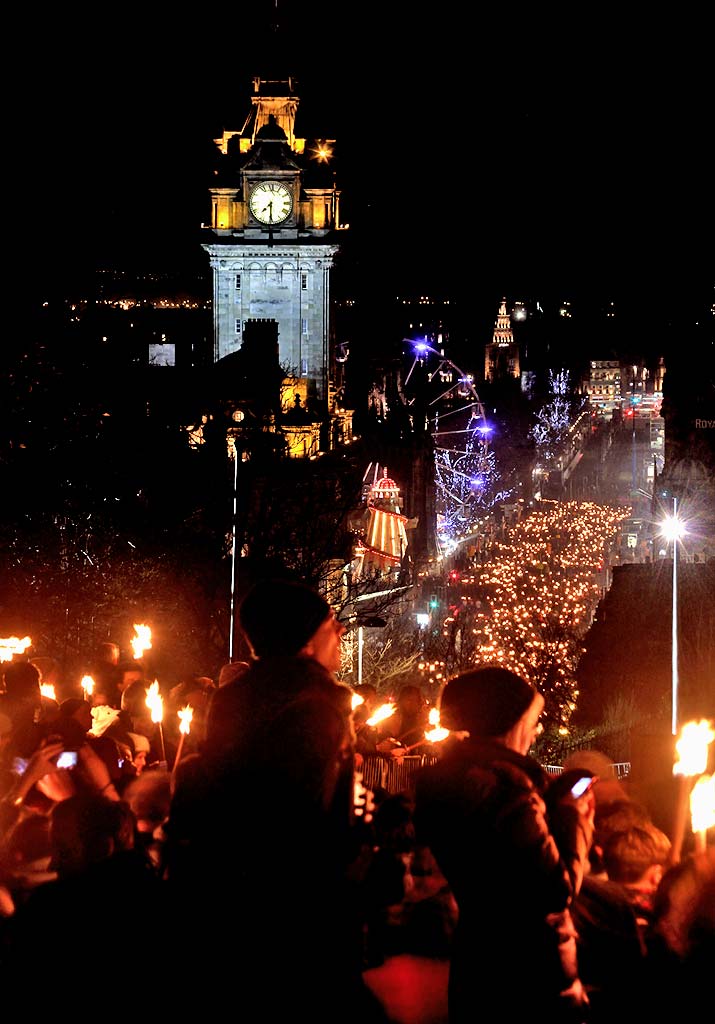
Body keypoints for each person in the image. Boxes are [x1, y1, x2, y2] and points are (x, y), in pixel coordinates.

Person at [412, 666, 594, 1024]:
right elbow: (554, 890)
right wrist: (575, 818)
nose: (537, 729)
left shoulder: (453, 782)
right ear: (508, 721)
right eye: (533, 719)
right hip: (526, 971)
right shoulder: (507, 793)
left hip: (477, 960)